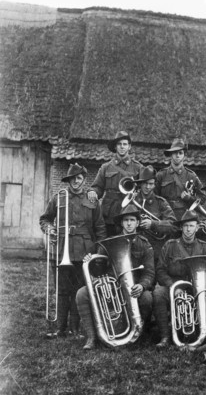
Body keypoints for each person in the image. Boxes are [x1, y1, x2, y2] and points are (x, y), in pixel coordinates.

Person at [40, 163, 107, 338]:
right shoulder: (59, 198)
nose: (76, 181)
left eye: (79, 178)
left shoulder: (92, 199)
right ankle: (60, 328)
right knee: (62, 290)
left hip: (84, 251)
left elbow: (100, 227)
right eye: (72, 179)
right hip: (63, 249)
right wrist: (50, 229)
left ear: (84, 180)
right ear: (68, 180)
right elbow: (45, 219)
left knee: (79, 290)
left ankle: (75, 329)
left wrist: (98, 251)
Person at [76, 205, 155, 350]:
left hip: (134, 288)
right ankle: (93, 336)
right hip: (113, 287)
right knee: (82, 294)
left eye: (132, 220)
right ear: (121, 223)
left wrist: (142, 285)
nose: (129, 223)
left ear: (137, 223)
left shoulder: (145, 244)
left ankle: (139, 333)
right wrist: (91, 261)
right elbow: (98, 269)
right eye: (126, 220)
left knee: (147, 298)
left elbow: (149, 273)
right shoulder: (109, 243)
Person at [153, 210, 206, 348]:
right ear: (181, 228)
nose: (188, 229)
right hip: (174, 285)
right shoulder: (170, 245)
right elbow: (160, 270)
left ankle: (199, 331)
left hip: (198, 287)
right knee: (158, 294)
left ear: (197, 227)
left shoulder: (205, 247)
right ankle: (165, 336)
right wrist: (173, 286)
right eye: (185, 226)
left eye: (191, 226)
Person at [88, 131, 143, 236]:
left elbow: (143, 188)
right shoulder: (106, 167)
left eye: (125, 144)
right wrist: (92, 192)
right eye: (119, 144)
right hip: (110, 214)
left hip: (129, 212)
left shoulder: (138, 167)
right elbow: (97, 187)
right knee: (109, 243)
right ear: (115, 147)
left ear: (129, 146)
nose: (122, 147)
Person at [131, 165, 177, 260]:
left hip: (155, 248)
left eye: (151, 184)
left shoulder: (161, 202)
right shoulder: (132, 201)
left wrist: (153, 224)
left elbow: (173, 225)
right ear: (140, 184)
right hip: (135, 248)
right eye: (145, 183)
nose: (148, 187)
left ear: (155, 184)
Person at [155, 138, 205, 221]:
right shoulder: (161, 175)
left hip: (185, 218)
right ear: (171, 154)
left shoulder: (191, 176)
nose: (177, 155)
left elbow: (203, 198)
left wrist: (190, 198)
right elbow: (154, 197)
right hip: (166, 217)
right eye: (175, 153)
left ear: (184, 155)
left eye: (180, 153)